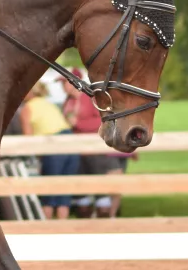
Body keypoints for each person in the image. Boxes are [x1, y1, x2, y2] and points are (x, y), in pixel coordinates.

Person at [61, 67, 135, 218]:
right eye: (61, 83)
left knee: (102, 190)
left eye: (65, 83)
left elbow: (103, 120)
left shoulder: (91, 98)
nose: (62, 87)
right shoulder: (67, 101)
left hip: (95, 151)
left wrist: (78, 124)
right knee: (82, 195)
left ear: (74, 82)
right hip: (78, 152)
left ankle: (106, 221)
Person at [18, 82, 79, 219]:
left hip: (53, 146)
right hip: (71, 142)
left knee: (48, 192)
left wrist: (37, 160)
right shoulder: (49, 104)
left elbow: (28, 141)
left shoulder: (27, 109)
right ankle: (61, 228)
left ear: (30, 92)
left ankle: (46, 229)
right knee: (65, 192)